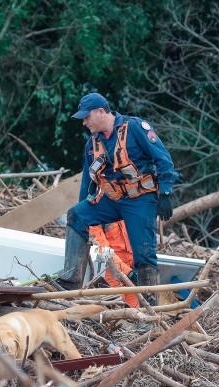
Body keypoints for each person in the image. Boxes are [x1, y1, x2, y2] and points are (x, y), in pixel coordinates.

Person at [57, 93, 177, 304]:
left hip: (140, 200)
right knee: (76, 215)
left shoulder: (135, 128)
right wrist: (84, 205)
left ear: (101, 112)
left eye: (86, 117)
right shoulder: (92, 144)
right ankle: (70, 281)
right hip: (112, 199)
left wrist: (165, 193)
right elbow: (87, 181)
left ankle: (150, 307)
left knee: (144, 255)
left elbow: (163, 160)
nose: (84, 122)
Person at [89, 221, 139, 308]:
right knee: (115, 310)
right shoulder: (94, 219)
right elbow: (102, 249)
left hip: (131, 271)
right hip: (110, 274)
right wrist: (128, 272)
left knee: (134, 312)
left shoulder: (124, 215)